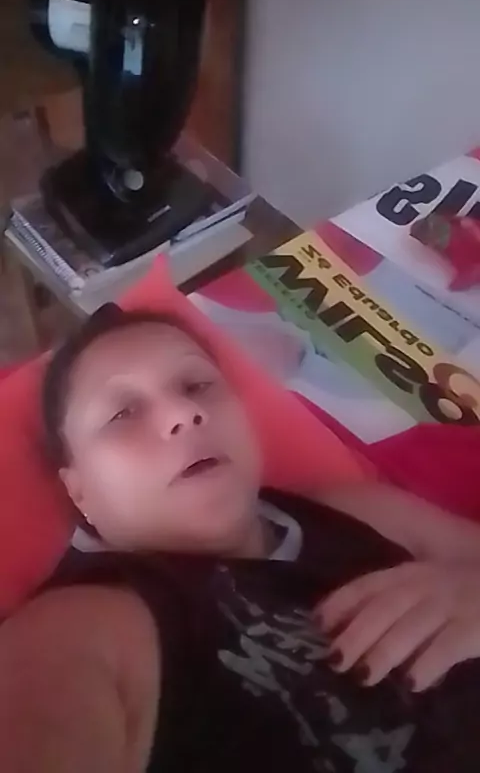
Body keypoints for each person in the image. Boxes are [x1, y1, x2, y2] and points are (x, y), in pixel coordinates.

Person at [1, 304, 480, 773]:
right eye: (122, 413)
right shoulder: (76, 633)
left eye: (197, 385)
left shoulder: (358, 512)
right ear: (80, 491)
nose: (185, 413)